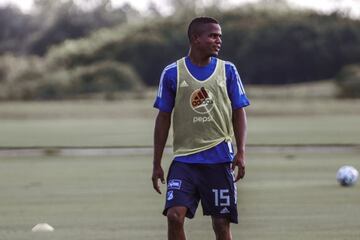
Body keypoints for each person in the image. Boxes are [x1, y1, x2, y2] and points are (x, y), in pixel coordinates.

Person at [152, 16, 250, 240]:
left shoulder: (228, 71)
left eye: (220, 36)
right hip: (184, 161)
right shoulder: (172, 73)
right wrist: (156, 162)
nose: (218, 41)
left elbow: (239, 112)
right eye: (213, 36)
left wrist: (241, 151)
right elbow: (163, 118)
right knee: (174, 217)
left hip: (218, 159)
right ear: (196, 38)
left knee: (221, 224)